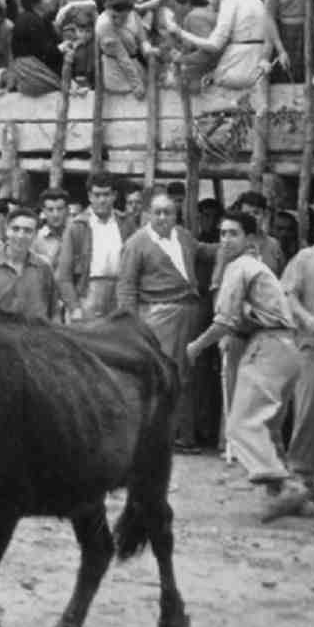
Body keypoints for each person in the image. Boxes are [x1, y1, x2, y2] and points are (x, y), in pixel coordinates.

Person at [186, 211, 313, 522]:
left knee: (241, 425)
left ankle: (286, 487)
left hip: (269, 346)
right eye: (222, 233)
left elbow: (224, 321)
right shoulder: (255, 266)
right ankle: (294, 498)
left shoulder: (240, 267)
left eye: (233, 234)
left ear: (249, 238)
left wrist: (195, 346)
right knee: (266, 426)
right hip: (285, 348)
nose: (226, 240)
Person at [117, 191, 214, 451]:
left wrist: (230, 246)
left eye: (167, 212)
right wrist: (130, 326)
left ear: (175, 214)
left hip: (188, 313)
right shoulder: (137, 243)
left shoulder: (182, 235)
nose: (162, 217)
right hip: (159, 316)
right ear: (148, 213)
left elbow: (203, 251)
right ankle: (160, 438)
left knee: (187, 376)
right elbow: (126, 287)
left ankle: (184, 435)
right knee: (163, 376)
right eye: (157, 212)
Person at [278, 204, 314, 507]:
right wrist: (305, 317)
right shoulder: (305, 259)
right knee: (309, 414)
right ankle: (302, 479)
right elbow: (287, 294)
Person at [57, 172, 136, 322]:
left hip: (119, 294)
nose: (102, 200)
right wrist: (74, 307)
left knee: (117, 343)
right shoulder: (77, 226)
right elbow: (64, 275)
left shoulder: (126, 223)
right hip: (87, 294)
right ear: (90, 196)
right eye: (97, 195)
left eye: (106, 195)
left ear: (114, 195)